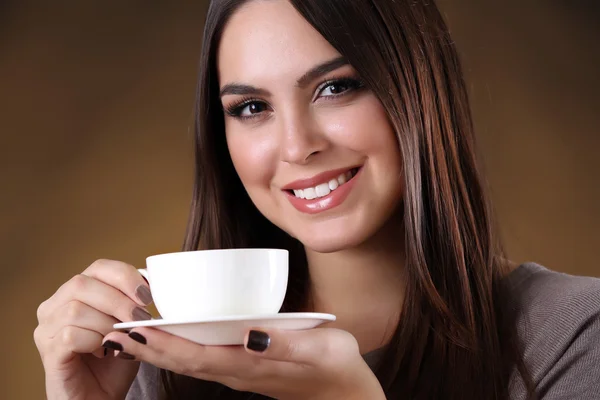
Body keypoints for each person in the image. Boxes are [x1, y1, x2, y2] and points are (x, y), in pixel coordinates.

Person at [34, 0, 600, 399]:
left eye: (336, 87)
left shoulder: (571, 337)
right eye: (252, 107)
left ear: (419, 89)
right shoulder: (162, 366)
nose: (297, 147)